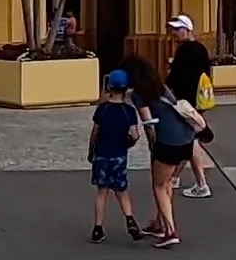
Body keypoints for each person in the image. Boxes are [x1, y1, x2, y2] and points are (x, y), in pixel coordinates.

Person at [145, 63, 207, 249]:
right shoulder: (164, 90)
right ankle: (159, 223)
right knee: (168, 182)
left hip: (168, 143)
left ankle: (170, 230)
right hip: (186, 140)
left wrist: (152, 148)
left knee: (159, 185)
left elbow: (148, 125)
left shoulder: (140, 95)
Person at [88, 69, 143, 243]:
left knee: (101, 192)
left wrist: (91, 151)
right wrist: (129, 143)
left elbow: (95, 132)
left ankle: (97, 228)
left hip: (102, 155)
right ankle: (130, 219)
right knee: (121, 190)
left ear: (109, 86)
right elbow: (135, 135)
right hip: (119, 155)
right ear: (127, 89)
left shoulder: (102, 110)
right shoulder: (129, 111)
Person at [166, 15, 215, 199]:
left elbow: (175, 76)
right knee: (189, 137)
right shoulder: (201, 49)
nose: (175, 33)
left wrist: (161, 89)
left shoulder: (184, 50)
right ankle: (176, 177)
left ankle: (201, 184)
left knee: (190, 140)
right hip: (198, 100)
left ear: (187, 30)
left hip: (186, 101)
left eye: (178, 29)